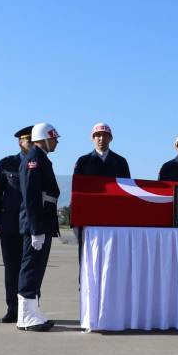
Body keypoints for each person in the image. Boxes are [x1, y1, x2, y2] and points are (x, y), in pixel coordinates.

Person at [16, 123, 62, 332]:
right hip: (37, 224)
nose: (56, 142)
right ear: (43, 139)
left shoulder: (39, 157)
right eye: (53, 139)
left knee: (36, 268)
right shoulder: (34, 159)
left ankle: (33, 313)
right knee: (31, 268)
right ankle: (26, 316)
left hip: (42, 223)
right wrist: (35, 229)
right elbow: (31, 197)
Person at [72, 122, 131, 285]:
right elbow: (76, 193)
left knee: (113, 258)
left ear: (110, 138)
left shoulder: (120, 162)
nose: (101, 138)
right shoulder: (83, 162)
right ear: (92, 138)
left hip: (114, 220)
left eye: (104, 135)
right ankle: (85, 288)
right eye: (97, 135)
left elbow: (128, 192)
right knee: (87, 258)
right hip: (90, 221)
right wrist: (75, 222)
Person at [0, 125, 32, 323]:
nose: (31, 143)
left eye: (34, 140)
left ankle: (31, 307)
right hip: (10, 225)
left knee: (31, 268)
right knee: (11, 268)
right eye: (27, 140)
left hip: (32, 225)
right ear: (20, 142)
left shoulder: (41, 162)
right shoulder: (7, 163)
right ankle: (13, 309)